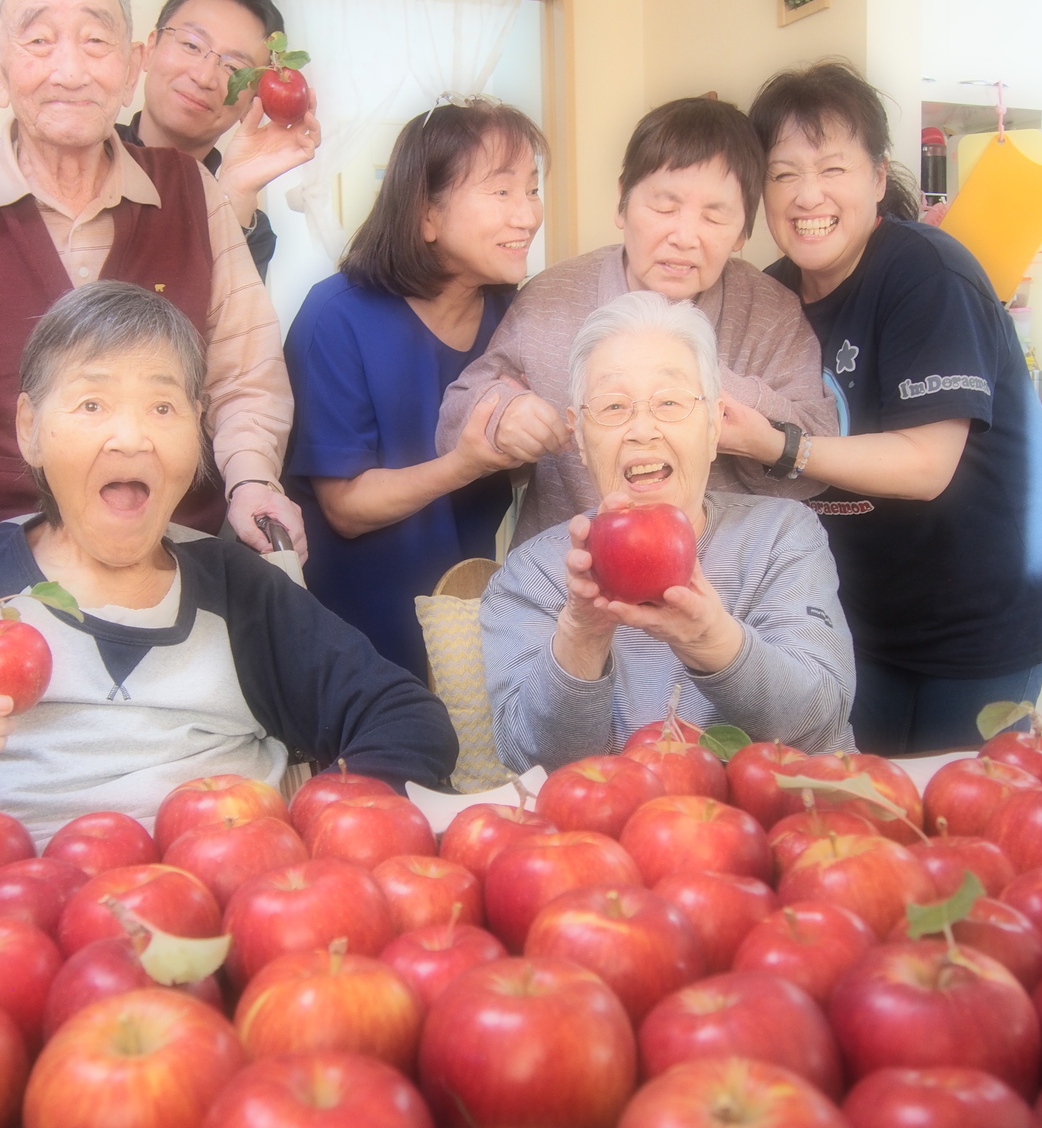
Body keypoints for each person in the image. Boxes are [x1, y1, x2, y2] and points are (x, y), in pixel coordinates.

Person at [0, 283, 456, 855]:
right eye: (92, 404)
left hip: (227, 887)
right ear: (30, 429)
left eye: (163, 407)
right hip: (5, 902)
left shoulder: (240, 589)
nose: (131, 438)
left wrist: (324, 827)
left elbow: (407, 718)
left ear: (199, 429)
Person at [0, 0, 305, 564]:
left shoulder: (195, 193)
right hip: (1, 569)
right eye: (39, 40)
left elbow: (247, 382)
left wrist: (253, 481)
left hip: (176, 558)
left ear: (130, 68)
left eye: (96, 41)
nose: (70, 71)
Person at [716, 59, 1042, 755]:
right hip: (851, 619)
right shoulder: (767, 296)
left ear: (876, 177)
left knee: (958, 812)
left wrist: (778, 445)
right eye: (782, 174)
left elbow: (927, 466)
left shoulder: (927, 273)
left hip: (976, 620)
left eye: (832, 168)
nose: (808, 195)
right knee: (857, 808)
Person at [437, 97, 838, 544]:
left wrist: (715, 394)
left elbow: (816, 465)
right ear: (622, 204)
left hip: (722, 574)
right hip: (565, 568)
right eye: (665, 208)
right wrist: (501, 414)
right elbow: (455, 415)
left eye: (714, 215)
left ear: (743, 231)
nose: (684, 237)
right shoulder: (550, 295)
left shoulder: (771, 312)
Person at [480, 292, 854, 771]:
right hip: (616, 819)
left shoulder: (783, 534)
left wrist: (711, 640)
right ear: (580, 436)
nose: (643, 430)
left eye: (670, 402)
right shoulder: (534, 574)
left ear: (714, 425)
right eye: (614, 406)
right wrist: (582, 635)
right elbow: (528, 757)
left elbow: (820, 722)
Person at [283, 99, 547, 677]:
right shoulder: (337, 316)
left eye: (532, 189)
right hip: (355, 635)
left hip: (470, 624)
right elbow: (346, 507)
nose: (528, 215)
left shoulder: (518, 317)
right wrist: (464, 463)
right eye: (502, 191)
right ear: (426, 213)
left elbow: (519, 473)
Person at [119, 0, 321, 281]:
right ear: (150, 49)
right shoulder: (78, 158)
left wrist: (236, 191)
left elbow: (212, 311)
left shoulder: (251, 229)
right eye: (191, 45)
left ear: (253, 101)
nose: (203, 77)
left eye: (233, 68)